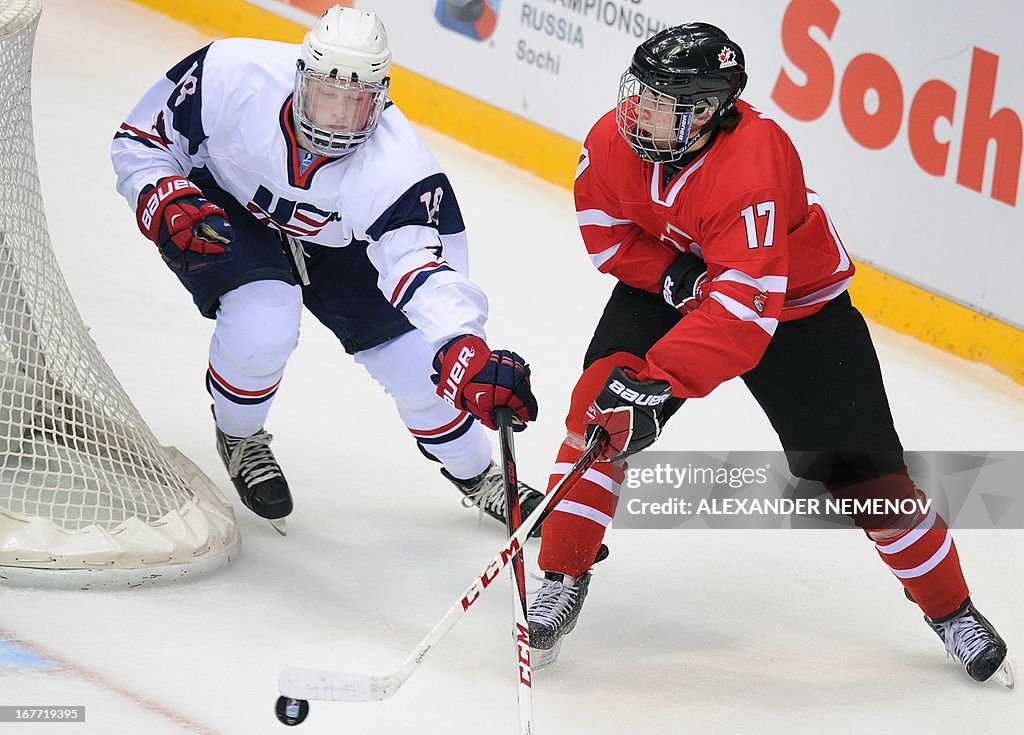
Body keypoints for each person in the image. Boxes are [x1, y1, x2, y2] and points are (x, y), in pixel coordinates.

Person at [524, 22, 1013, 688]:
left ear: (710, 112)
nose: (641, 113)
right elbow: (607, 237)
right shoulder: (613, 142)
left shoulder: (754, 160)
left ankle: (950, 608)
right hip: (687, 279)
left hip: (792, 309)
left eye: (666, 103)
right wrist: (672, 279)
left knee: (870, 481)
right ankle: (561, 572)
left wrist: (660, 384)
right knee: (600, 411)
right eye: (641, 93)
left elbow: (742, 316)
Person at [110, 6, 541, 535]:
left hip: (338, 245)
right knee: (263, 319)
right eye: (327, 95)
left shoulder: (398, 167)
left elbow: (421, 265)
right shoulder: (231, 73)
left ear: (381, 100)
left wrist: (463, 346)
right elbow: (141, 141)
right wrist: (161, 196)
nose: (337, 116)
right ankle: (240, 436)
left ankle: (479, 477)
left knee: (418, 365)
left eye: (356, 104)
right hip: (228, 210)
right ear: (300, 76)